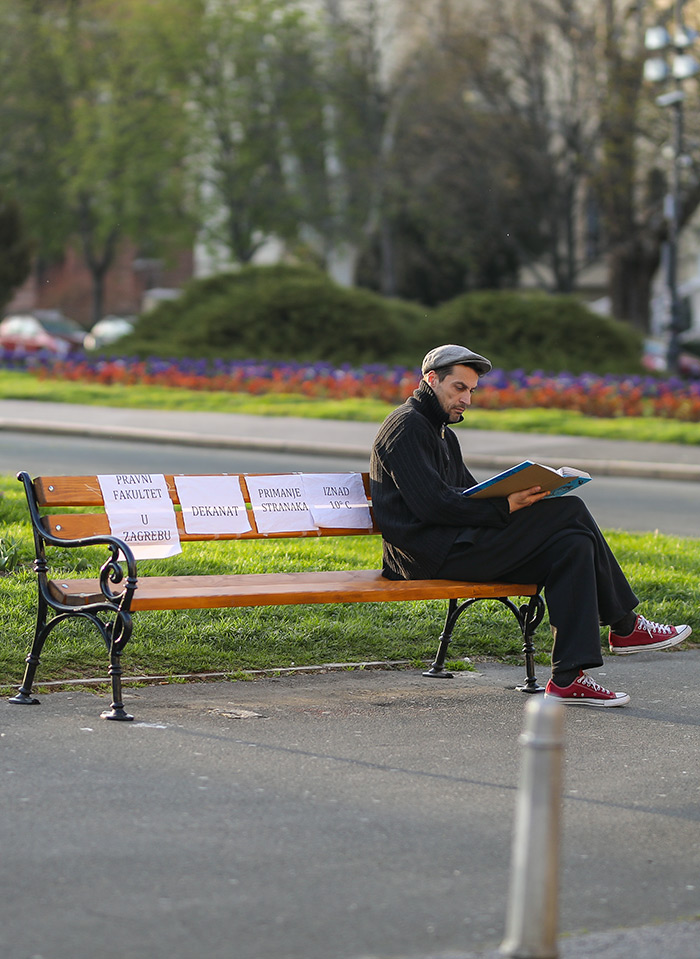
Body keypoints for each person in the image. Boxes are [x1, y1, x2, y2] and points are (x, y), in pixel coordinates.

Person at [369, 344, 692, 707]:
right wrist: (507, 505)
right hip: (425, 557)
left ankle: (569, 678)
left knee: (571, 545)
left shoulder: (442, 432)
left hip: (454, 544)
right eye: (459, 388)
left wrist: (520, 496)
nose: (467, 400)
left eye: (472, 391)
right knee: (570, 512)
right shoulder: (406, 426)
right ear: (431, 379)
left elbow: (467, 496)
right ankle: (625, 625)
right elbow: (432, 506)